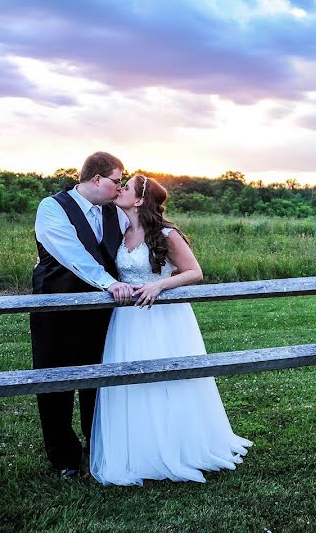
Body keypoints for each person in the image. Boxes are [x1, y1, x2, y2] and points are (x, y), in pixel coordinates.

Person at [90, 174, 252, 486]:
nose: (119, 189)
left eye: (126, 188)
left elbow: (195, 272)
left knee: (169, 381)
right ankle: (138, 450)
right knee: (131, 383)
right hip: (128, 321)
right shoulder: (121, 233)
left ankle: (179, 446)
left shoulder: (165, 234)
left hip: (163, 318)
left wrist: (160, 284)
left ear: (139, 200)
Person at [31, 151, 135, 479]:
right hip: (55, 309)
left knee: (98, 382)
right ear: (96, 179)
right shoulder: (52, 207)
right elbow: (72, 253)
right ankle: (63, 459)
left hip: (101, 314)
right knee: (55, 382)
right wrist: (109, 283)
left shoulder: (113, 213)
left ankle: (97, 449)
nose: (119, 189)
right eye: (116, 182)